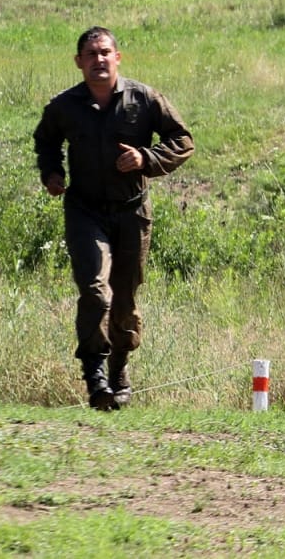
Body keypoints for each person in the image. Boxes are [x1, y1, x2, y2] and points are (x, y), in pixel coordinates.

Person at [32, 27, 193, 411]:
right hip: (85, 212)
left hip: (132, 212)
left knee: (124, 299)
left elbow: (183, 141)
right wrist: (51, 173)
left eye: (105, 52)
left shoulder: (144, 99)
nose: (98, 59)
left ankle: (119, 369)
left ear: (117, 57)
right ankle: (95, 377)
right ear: (79, 62)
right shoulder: (65, 106)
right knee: (95, 291)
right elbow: (46, 140)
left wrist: (145, 158)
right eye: (90, 54)